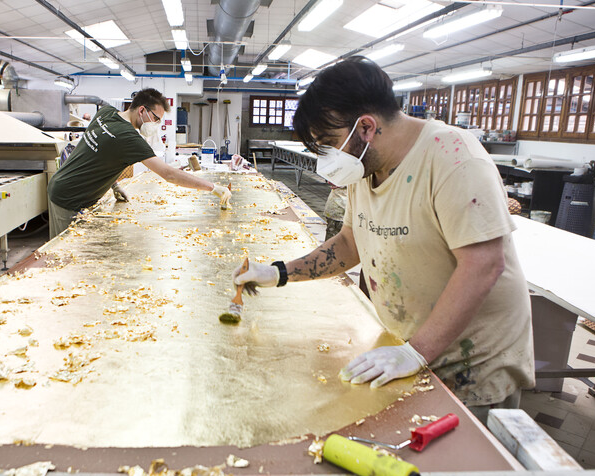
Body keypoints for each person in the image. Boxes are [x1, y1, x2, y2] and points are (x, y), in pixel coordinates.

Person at [233, 57, 534, 423]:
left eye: (329, 144)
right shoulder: (365, 167)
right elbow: (350, 243)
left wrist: (416, 352)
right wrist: (279, 272)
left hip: (471, 364)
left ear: (366, 127)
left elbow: (484, 264)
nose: (327, 159)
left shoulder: (453, 158)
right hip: (410, 348)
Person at [47, 88, 231, 238]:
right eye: (156, 119)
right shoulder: (129, 138)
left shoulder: (105, 113)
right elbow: (169, 174)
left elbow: (100, 153)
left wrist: (114, 185)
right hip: (69, 196)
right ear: (142, 110)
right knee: (64, 255)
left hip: (63, 183)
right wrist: (212, 187)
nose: (156, 124)